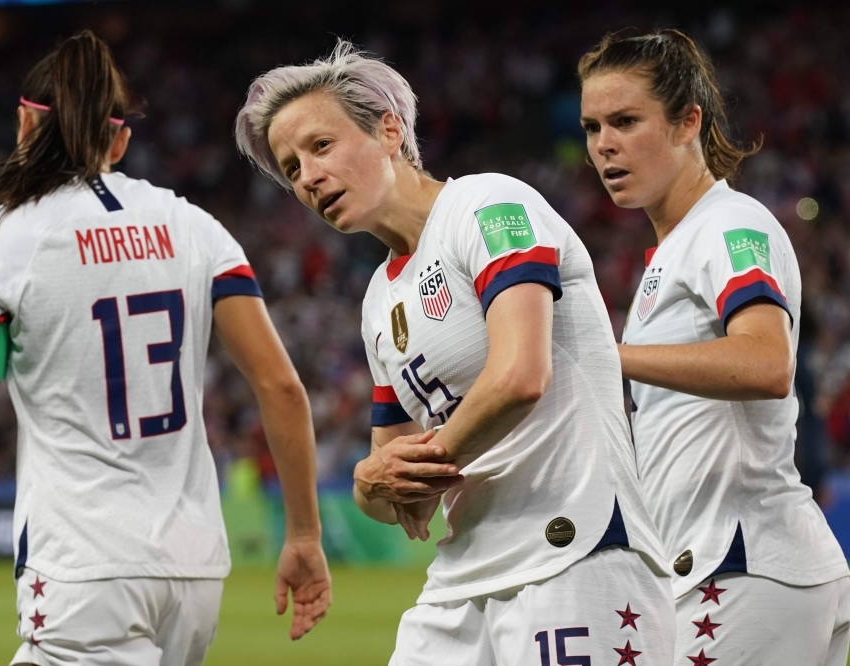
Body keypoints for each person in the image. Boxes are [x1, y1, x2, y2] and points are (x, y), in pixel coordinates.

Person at [235, 40, 673, 666]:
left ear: (389, 131)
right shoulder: (378, 299)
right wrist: (367, 481)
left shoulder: (489, 206)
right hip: (462, 575)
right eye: (292, 166)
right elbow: (386, 482)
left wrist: (412, 470)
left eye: (321, 146)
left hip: (574, 553)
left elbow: (522, 375)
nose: (307, 177)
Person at [0, 31, 330, 666]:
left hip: (84, 564)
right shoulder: (197, 228)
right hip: (193, 573)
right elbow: (282, 389)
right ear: (120, 140)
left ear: (26, 124)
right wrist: (303, 532)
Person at [578, 29, 850, 666]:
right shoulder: (671, 255)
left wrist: (605, 356)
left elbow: (766, 361)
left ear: (687, 122)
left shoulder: (729, 226)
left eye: (625, 121)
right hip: (719, 568)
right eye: (593, 127)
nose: (604, 146)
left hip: (748, 565)